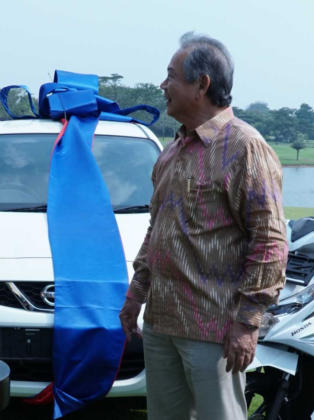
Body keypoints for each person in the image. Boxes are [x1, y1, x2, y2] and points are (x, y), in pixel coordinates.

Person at [119, 32, 287, 419]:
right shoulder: (173, 150)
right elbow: (157, 230)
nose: (163, 85)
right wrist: (136, 295)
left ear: (201, 85)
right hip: (161, 323)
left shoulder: (245, 147)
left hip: (214, 330)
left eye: (171, 75)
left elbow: (270, 242)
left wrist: (247, 322)